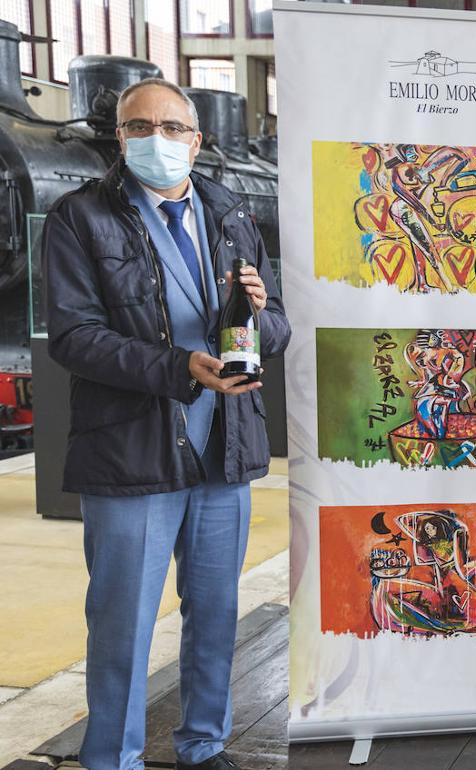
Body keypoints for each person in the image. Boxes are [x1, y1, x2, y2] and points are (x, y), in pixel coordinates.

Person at [42, 78, 290, 770]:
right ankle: (112, 759)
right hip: (131, 455)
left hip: (224, 448)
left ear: (197, 140)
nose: (158, 140)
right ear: (119, 138)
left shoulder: (230, 213)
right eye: (139, 127)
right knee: (121, 625)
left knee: (214, 615)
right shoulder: (80, 218)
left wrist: (263, 314)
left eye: (172, 128)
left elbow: (276, 327)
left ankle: (204, 745)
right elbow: (73, 337)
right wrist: (180, 367)